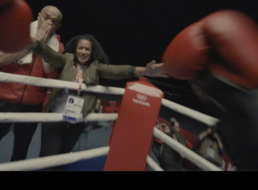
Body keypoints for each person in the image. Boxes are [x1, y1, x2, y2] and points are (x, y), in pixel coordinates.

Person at [31, 33, 168, 170]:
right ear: (75, 49)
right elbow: (51, 55)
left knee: (63, 156)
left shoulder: (95, 67)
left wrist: (144, 71)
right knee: (49, 157)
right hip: (56, 118)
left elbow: (115, 71)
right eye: (80, 48)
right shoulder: (67, 60)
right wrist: (34, 44)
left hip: (76, 122)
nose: (83, 52)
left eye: (87, 49)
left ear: (92, 52)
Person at [0, 5, 64, 167]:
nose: (50, 24)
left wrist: (42, 47)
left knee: (20, 152)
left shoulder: (57, 46)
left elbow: (51, 74)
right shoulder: (15, 33)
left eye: (55, 21)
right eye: (47, 17)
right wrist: (33, 41)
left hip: (32, 107)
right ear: (38, 15)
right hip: (3, 102)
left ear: (58, 26)